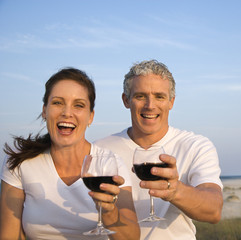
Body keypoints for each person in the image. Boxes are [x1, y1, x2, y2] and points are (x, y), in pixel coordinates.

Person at [0, 68, 140, 240]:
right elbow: (10, 235)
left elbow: (131, 238)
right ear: (45, 111)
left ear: (90, 116)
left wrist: (109, 212)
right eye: (58, 103)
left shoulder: (110, 164)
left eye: (78, 105)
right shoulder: (19, 162)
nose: (67, 112)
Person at [95, 60, 223, 239]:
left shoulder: (196, 146)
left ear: (171, 102)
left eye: (159, 97)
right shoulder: (101, 149)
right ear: (126, 100)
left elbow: (213, 211)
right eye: (140, 96)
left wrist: (175, 191)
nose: (150, 105)